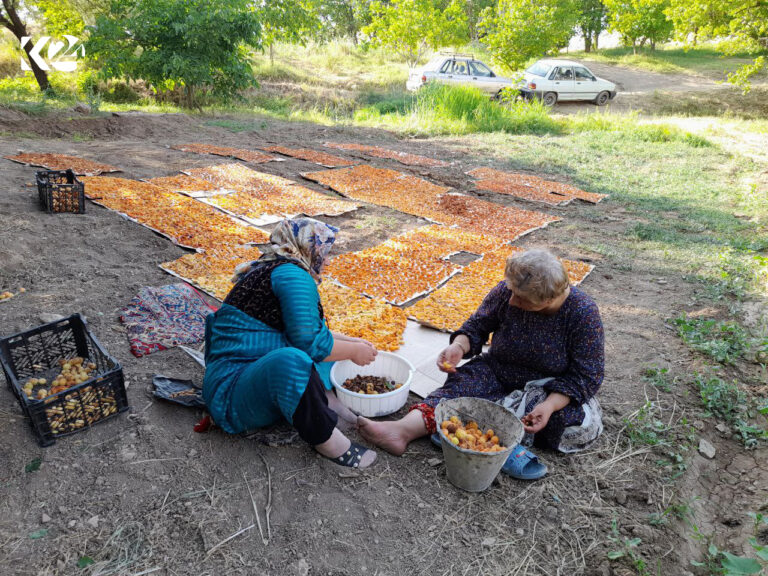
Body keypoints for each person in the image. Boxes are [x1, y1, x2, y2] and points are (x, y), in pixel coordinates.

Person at [359, 249, 605, 478]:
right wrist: (459, 347)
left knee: (562, 420)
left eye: (522, 300)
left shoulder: (582, 314)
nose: (511, 302)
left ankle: (475, 437)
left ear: (548, 300)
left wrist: (550, 405)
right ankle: (403, 430)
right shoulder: (506, 292)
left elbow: (586, 376)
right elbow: (477, 326)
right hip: (499, 370)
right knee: (461, 386)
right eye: (512, 292)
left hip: (548, 387)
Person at [203, 217, 378, 468]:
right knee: (296, 360)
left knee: (325, 353)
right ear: (307, 247)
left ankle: (330, 405)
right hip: (231, 394)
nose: (327, 261)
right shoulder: (293, 276)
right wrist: (353, 351)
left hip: (251, 372)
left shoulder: (273, 269)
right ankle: (328, 441)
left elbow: (312, 333)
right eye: (324, 252)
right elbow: (309, 344)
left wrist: (353, 343)